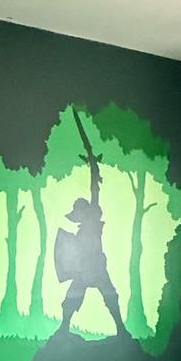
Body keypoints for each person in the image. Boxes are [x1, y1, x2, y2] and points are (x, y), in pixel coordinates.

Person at [54, 110, 129, 337]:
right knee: (71, 300)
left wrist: (93, 167)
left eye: (78, 211)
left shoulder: (93, 217)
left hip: (96, 265)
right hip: (83, 267)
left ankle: (122, 330)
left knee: (110, 297)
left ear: (83, 210)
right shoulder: (81, 228)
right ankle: (64, 329)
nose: (77, 215)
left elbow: (94, 188)